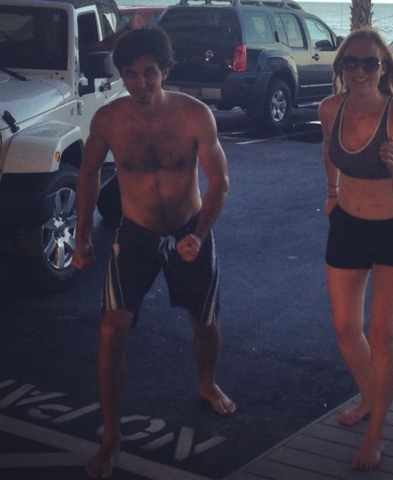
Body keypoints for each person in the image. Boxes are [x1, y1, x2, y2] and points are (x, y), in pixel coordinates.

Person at [72, 26, 235, 479]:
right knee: (111, 331)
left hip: (190, 231)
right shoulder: (109, 119)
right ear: (121, 75)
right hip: (136, 235)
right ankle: (111, 436)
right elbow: (88, 173)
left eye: (149, 72)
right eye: (130, 74)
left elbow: (219, 181)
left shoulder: (194, 115)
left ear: (165, 71)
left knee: (205, 324)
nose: (140, 83)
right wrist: (82, 235)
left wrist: (199, 234)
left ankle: (207, 382)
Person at [318, 27, 393, 471]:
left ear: (384, 69)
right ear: (342, 66)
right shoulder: (330, 108)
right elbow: (329, 151)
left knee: (382, 336)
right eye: (351, 62)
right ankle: (369, 395)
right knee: (345, 328)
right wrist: (332, 191)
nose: (359, 71)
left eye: (370, 63)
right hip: (347, 226)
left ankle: (376, 433)